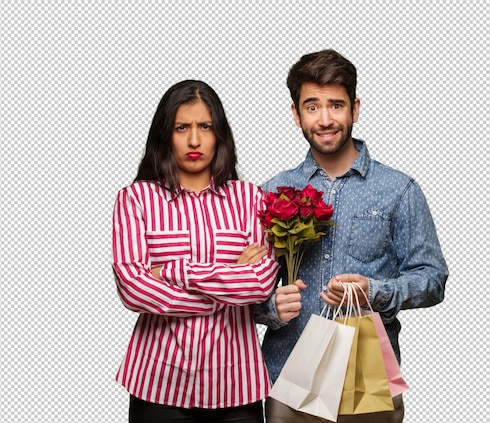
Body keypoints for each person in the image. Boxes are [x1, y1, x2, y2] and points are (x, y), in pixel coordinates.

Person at [254, 50, 449, 422]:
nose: (325, 119)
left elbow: (432, 279)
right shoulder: (271, 192)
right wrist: (270, 308)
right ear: (295, 114)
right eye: (312, 107)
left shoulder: (398, 190)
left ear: (355, 109)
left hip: (366, 383)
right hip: (288, 379)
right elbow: (245, 288)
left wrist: (374, 292)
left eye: (336, 105)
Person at [112, 80, 279, 423]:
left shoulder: (251, 200)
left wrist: (174, 272)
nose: (194, 140)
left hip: (237, 384)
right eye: (181, 127)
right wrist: (227, 291)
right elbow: (133, 289)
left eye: (205, 126)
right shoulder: (135, 200)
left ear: (219, 134)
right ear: (165, 135)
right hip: (158, 383)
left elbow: (261, 283)